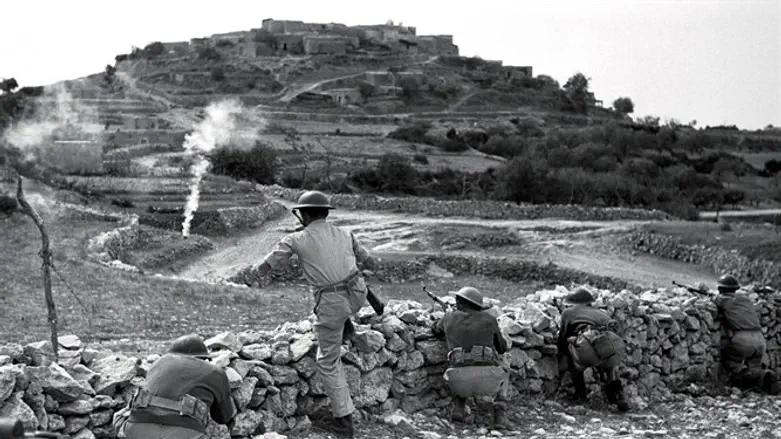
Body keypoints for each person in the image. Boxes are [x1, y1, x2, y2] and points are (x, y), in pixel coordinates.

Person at [251, 190, 377, 439]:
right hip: (358, 295)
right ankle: (346, 325)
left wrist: (255, 269)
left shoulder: (296, 238)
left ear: (304, 215)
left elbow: (265, 267)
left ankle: (344, 423)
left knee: (328, 362)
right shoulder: (345, 233)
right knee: (339, 311)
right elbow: (371, 263)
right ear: (326, 213)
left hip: (332, 304)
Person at [122, 334, 236, 439]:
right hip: (183, 432)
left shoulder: (157, 364)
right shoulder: (215, 372)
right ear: (204, 358)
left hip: (137, 427)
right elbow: (223, 417)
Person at [432, 287, 512, 428]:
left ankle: (458, 409)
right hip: (489, 381)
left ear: (459, 302)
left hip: (457, 381)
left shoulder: (449, 317)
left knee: (460, 362)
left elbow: (435, 331)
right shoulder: (490, 319)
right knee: (505, 363)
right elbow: (501, 348)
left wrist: (447, 317)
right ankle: (500, 415)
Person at [557, 287, 630, 412]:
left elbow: (563, 337)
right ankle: (617, 397)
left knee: (571, 352)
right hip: (613, 345)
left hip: (587, 346)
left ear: (571, 303)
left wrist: (561, 353)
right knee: (611, 367)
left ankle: (580, 395)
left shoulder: (568, 313)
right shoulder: (601, 313)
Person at [710, 274, 779, 394]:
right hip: (760, 339)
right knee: (754, 367)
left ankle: (746, 380)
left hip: (743, 339)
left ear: (720, 289)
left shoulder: (723, 299)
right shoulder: (745, 299)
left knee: (731, 361)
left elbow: (713, 300)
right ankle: (765, 379)